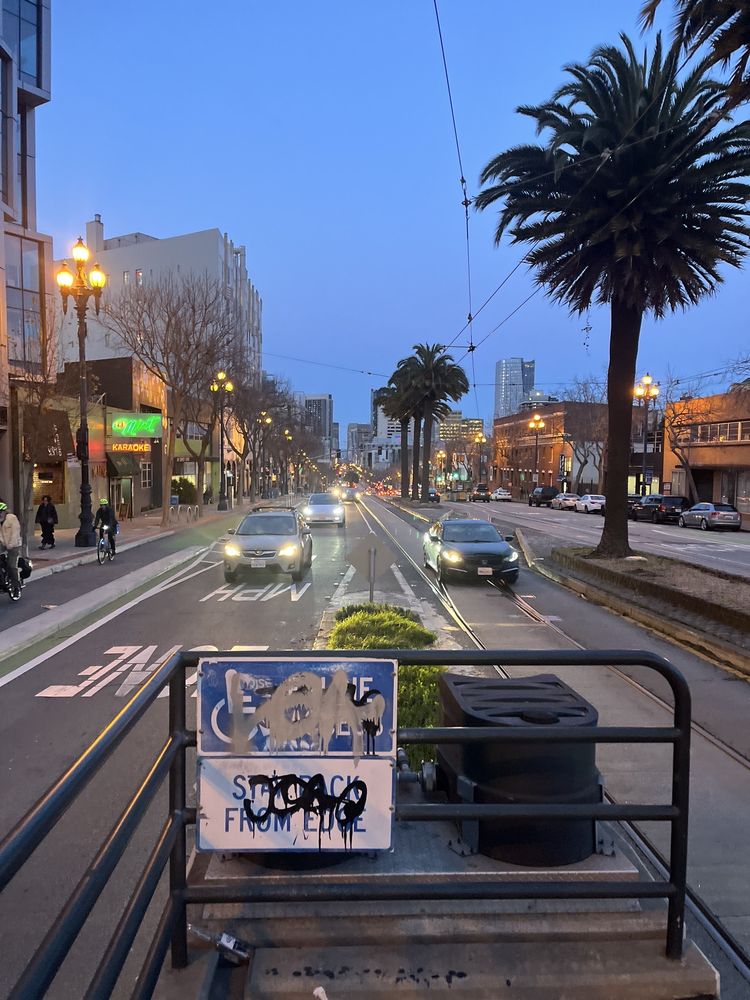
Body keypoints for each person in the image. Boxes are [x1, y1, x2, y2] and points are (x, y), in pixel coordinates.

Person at [0, 501, 22, 592]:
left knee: (12, 566)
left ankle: (16, 587)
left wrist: (11, 544)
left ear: (5, 511)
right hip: (3, 544)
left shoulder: (12, 518)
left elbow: (15, 533)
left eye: (1, 512)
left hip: (14, 545)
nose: (0, 514)